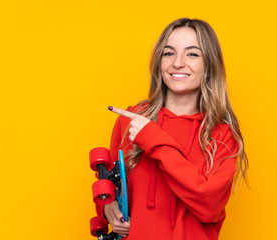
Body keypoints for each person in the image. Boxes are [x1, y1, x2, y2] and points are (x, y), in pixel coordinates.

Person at [95, 18, 249, 240]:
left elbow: (209, 207)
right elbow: (111, 189)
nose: (177, 63)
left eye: (192, 54)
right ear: (159, 62)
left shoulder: (221, 134)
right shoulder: (132, 120)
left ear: (209, 65)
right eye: (168, 53)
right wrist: (107, 209)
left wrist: (153, 139)